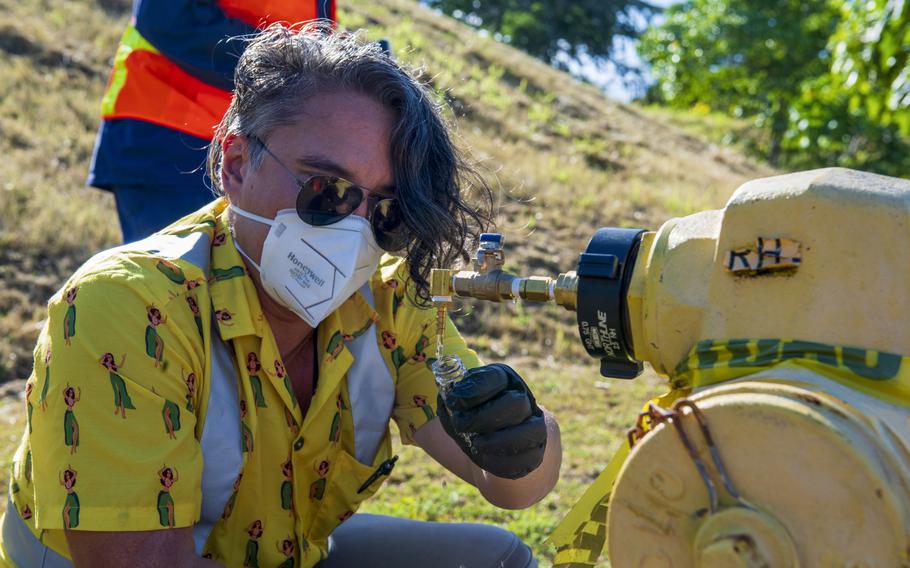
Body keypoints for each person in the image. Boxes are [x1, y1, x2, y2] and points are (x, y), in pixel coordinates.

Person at [2, 23, 562, 567]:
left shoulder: (391, 299)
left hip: (279, 552)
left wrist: (522, 442)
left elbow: (511, 487)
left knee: (501, 558)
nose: (355, 230)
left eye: (388, 210)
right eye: (328, 190)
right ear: (237, 164)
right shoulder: (127, 306)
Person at [89, 0, 335, 243]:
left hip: (252, 153)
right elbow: (167, 19)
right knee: (174, 279)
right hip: (169, 141)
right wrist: (290, 62)